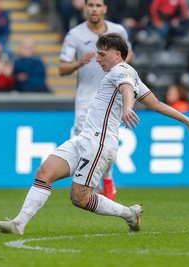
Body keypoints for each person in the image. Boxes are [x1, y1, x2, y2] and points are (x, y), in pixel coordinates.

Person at [0, 32, 189, 235]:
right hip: (85, 138)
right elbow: (157, 104)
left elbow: (126, 90)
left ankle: (129, 214)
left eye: (102, 54)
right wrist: (187, 121)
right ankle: (18, 224)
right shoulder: (129, 73)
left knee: (79, 198)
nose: (97, 59)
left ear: (117, 54)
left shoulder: (122, 71)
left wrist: (128, 108)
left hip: (99, 144)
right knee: (45, 172)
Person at [58, 0, 133, 200]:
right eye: (90, 5)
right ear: (85, 8)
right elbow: (61, 68)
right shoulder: (75, 34)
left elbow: (129, 54)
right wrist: (78, 63)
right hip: (86, 98)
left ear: (105, 9)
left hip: (111, 97)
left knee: (107, 141)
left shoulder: (118, 31)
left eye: (98, 5)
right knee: (86, 142)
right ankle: (98, 183)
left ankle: (106, 180)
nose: (94, 9)